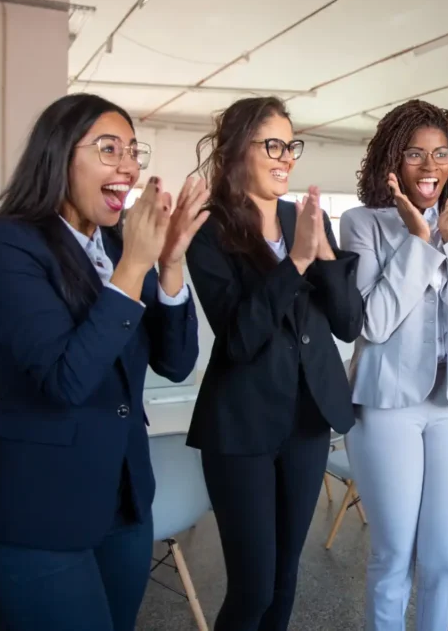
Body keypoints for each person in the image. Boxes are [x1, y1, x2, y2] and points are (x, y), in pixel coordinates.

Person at [0, 93, 206, 630]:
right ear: (58, 156)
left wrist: (169, 265)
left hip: (123, 503)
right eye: (109, 148)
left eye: (133, 150)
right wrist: (135, 264)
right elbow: (64, 380)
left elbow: (177, 361)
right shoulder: (6, 246)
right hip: (36, 516)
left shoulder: (119, 247)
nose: (129, 165)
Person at [184, 96, 363, 631]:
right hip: (241, 426)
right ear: (239, 150)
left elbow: (348, 324)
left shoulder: (303, 217)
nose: (286, 156)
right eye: (273, 144)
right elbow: (239, 339)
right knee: (253, 586)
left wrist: (322, 253)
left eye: (291, 144)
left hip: (307, 420)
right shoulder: (210, 228)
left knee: (286, 579)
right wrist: (297, 261)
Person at [340, 99, 448, 631]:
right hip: (387, 405)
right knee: (393, 556)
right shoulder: (362, 224)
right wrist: (418, 242)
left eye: (440, 153)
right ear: (392, 160)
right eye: (415, 153)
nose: (430, 166)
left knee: (447, 559)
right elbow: (375, 323)